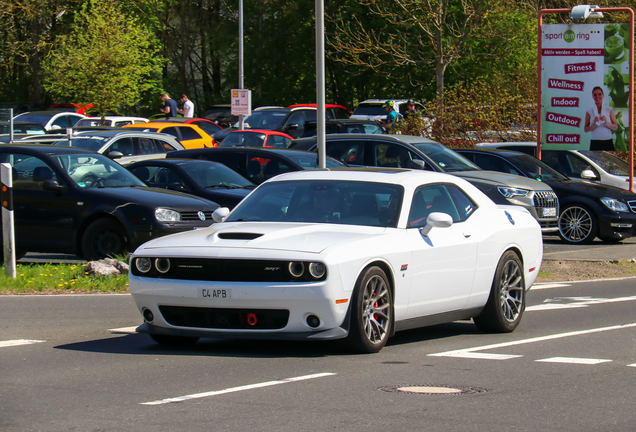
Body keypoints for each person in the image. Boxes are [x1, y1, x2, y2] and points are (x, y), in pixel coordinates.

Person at [584, 86, 618, 150]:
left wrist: (606, 123)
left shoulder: (609, 109)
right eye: (595, 95)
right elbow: (585, 129)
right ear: (592, 96)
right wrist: (594, 125)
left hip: (608, 141)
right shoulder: (589, 111)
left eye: (599, 94)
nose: (597, 97)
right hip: (595, 142)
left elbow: (615, 127)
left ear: (603, 95)